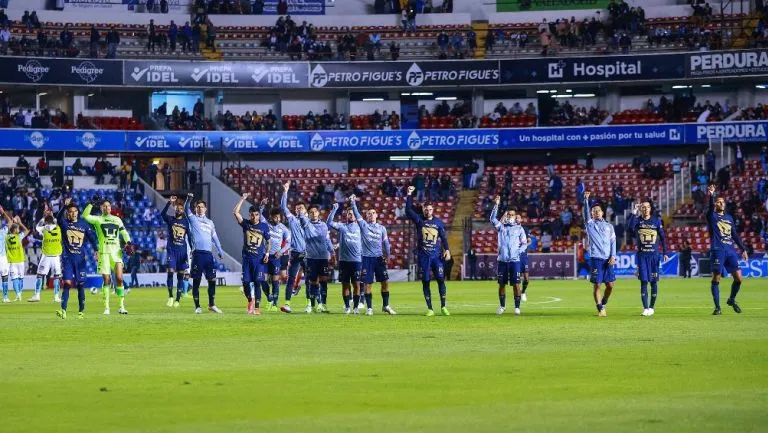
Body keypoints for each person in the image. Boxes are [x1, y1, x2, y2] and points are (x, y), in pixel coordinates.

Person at [83, 196, 133, 315]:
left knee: (120, 279)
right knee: (107, 279)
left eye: (109, 206)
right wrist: (90, 203)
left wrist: (129, 243)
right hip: (104, 252)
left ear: (111, 207)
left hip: (116, 252)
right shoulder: (98, 219)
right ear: (101, 208)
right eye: (104, 206)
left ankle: (121, 306)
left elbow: (124, 232)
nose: (107, 208)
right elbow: (85, 216)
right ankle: (106, 308)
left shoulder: (117, 219)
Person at [406, 185, 451, 316]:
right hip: (424, 257)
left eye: (430, 209)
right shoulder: (419, 220)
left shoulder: (438, 223)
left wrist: (447, 250)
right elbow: (408, 210)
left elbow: (443, 237)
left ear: (433, 210)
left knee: (441, 280)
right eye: (426, 209)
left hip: (437, 257)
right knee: (426, 281)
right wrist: (409, 194)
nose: (428, 211)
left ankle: (443, 306)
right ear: (423, 209)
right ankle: (430, 308)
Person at [290, 182, 334, 313]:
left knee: (324, 281)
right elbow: (302, 219)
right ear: (308, 214)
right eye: (311, 212)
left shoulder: (324, 226)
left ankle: (323, 305)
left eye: (315, 212)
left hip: (323, 257)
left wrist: (331, 252)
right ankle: (312, 305)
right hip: (311, 258)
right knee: (312, 282)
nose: (313, 214)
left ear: (319, 213)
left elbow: (327, 240)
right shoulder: (306, 224)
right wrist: (300, 213)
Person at [706, 185, 748, 315]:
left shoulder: (729, 218)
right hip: (718, 250)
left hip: (730, 251)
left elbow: (734, 235)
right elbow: (709, 208)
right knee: (716, 278)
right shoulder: (712, 216)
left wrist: (743, 249)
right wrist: (711, 195)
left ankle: (731, 299)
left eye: (722, 202)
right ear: (715, 204)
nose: (720, 203)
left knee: (739, 279)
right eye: (718, 202)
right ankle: (717, 308)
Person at [350, 195, 395, 315]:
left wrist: (389, 255)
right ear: (366, 216)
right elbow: (357, 214)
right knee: (367, 284)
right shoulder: (363, 225)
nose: (371, 215)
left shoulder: (382, 228)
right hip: (367, 259)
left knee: (385, 282)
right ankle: (369, 308)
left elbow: (386, 242)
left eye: (373, 213)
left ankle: (386, 305)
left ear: (376, 215)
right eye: (369, 213)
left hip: (379, 258)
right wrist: (353, 202)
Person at [55, 198, 98, 318]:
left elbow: (92, 238)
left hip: (80, 260)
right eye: (70, 211)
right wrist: (64, 206)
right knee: (67, 284)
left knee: (80, 285)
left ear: (77, 212)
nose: (73, 213)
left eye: (75, 211)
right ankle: (63, 310)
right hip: (68, 259)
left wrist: (97, 250)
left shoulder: (83, 224)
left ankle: (81, 311)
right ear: (67, 213)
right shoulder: (64, 224)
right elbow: (58, 218)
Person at [627, 201, 669, 316]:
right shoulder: (638, 220)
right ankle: (645, 308)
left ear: (650, 209)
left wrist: (665, 252)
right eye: (643, 207)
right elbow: (630, 228)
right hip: (642, 256)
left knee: (654, 282)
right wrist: (634, 213)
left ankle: (652, 307)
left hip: (654, 256)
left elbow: (663, 237)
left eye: (647, 207)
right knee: (644, 281)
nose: (645, 209)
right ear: (641, 209)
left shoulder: (656, 220)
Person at [185, 193, 225, 314]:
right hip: (197, 254)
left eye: (202, 207)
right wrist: (189, 199)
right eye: (198, 207)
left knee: (212, 280)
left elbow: (215, 238)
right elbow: (186, 208)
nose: (200, 208)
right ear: (195, 208)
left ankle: (212, 305)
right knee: (196, 281)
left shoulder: (210, 223)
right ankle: (197, 306)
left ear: (205, 209)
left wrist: (220, 250)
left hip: (208, 255)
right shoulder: (193, 219)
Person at [233, 193, 271, 315]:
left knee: (258, 282)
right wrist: (243, 199)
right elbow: (235, 212)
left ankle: (257, 308)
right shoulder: (246, 224)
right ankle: (250, 300)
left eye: (256, 215)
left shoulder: (264, 226)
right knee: (245, 283)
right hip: (247, 259)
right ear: (249, 215)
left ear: (259, 215)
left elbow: (269, 242)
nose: (254, 217)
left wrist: (267, 254)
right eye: (252, 215)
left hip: (259, 260)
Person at [490, 196, 527, 315]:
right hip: (502, 260)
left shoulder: (519, 228)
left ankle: (517, 307)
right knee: (501, 284)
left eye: (512, 215)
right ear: (506, 216)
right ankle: (502, 306)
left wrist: (519, 251)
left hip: (515, 260)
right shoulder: (501, 228)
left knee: (516, 284)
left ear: (515, 216)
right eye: (509, 214)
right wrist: (496, 205)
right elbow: (492, 219)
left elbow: (525, 243)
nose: (510, 216)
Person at [583, 191, 617, 317]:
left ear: (602, 213)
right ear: (591, 214)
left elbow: (613, 242)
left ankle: (604, 302)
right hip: (596, 258)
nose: (596, 212)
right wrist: (586, 200)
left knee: (610, 285)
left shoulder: (609, 226)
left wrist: (613, 256)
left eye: (598, 210)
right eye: (594, 210)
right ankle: (599, 308)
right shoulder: (590, 225)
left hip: (608, 259)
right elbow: (585, 214)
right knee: (597, 284)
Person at [326, 201, 363, 314]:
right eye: (348, 213)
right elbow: (329, 223)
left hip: (357, 261)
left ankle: (356, 307)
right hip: (344, 261)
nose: (350, 215)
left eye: (352, 213)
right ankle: (347, 306)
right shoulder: (342, 226)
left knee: (356, 284)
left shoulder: (361, 227)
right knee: (345, 285)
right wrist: (334, 210)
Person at [280, 183, 311, 313]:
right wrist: (285, 191)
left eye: (301, 208)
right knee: (290, 278)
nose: (299, 210)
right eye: (297, 208)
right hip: (295, 253)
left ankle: (309, 304)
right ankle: (287, 304)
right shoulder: (292, 220)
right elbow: (283, 207)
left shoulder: (311, 222)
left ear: (306, 211)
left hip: (309, 254)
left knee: (310, 279)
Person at [259, 200, 290, 311]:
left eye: (279, 217)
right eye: (275, 217)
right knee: (262, 278)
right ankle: (269, 299)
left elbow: (288, 243)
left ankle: (275, 304)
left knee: (275, 280)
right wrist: (262, 205)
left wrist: (281, 252)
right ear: (271, 217)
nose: (277, 219)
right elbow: (259, 214)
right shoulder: (265, 224)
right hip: (264, 256)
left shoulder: (283, 228)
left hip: (276, 257)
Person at [161, 195, 190, 308]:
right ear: (175, 210)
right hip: (172, 251)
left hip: (182, 251)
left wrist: (192, 249)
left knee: (180, 276)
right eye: (177, 208)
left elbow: (190, 237)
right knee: (170, 272)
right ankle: (170, 297)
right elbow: (162, 214)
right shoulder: (170, 220)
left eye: (181, 208)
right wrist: (169, 202)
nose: (179, 209)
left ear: (183, 211)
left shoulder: (186, 223)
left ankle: (178, 299)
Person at [33, 210, 63, 303]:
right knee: (57, 276)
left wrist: (43, 217)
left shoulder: (44, 228)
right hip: (56, 257)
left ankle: (37, 296)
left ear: (46, 221)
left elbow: (37, 227)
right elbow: (56, 221)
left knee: (40, 275)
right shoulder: (58, 228)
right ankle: (56, 297)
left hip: (46, 256)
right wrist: (52, 216)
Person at [518, 214, 532, 301]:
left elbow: (529, 241)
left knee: (526, 278)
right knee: (517, 277)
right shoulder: (511, 229)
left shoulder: (525, 229)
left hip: (523, 256)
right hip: (515, 256)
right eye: (516, 218)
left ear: (521, 219)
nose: (517, 219)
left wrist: (524, 246)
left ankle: (523, 291)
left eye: (519, 217)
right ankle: (518, 294)